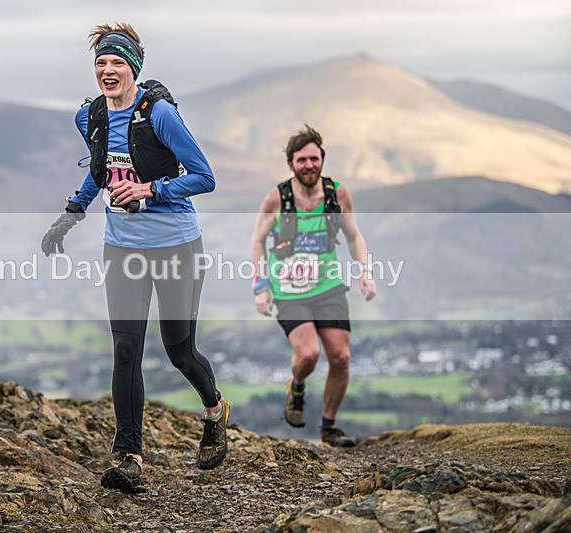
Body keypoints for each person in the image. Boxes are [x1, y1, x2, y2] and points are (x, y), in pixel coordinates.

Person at [41, 23, 228, 493]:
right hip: (122, 247)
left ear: (134, 69)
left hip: (176, 245)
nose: (108, 70)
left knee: (179, 350)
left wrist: (151, 188)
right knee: (126, 350)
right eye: (101, 63)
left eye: (117, 63)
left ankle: (213, 409)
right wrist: (72, 213)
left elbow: (204, 177)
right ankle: (129, 457)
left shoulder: (159, 114)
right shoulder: (90, 117)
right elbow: (101, 172)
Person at [250, 125, 376, 447]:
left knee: (341, 358)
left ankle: (329, 428)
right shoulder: (278, 198)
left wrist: (365, 270)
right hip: (289, 291)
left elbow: (353, 235)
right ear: (291, 164)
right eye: (301, 160)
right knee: (308, 354)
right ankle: (297, 385)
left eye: (314, 158)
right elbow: (258, 241)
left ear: (322, 160)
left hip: (329, 286)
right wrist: (261, 286)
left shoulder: (337, 194)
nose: (309, 165)